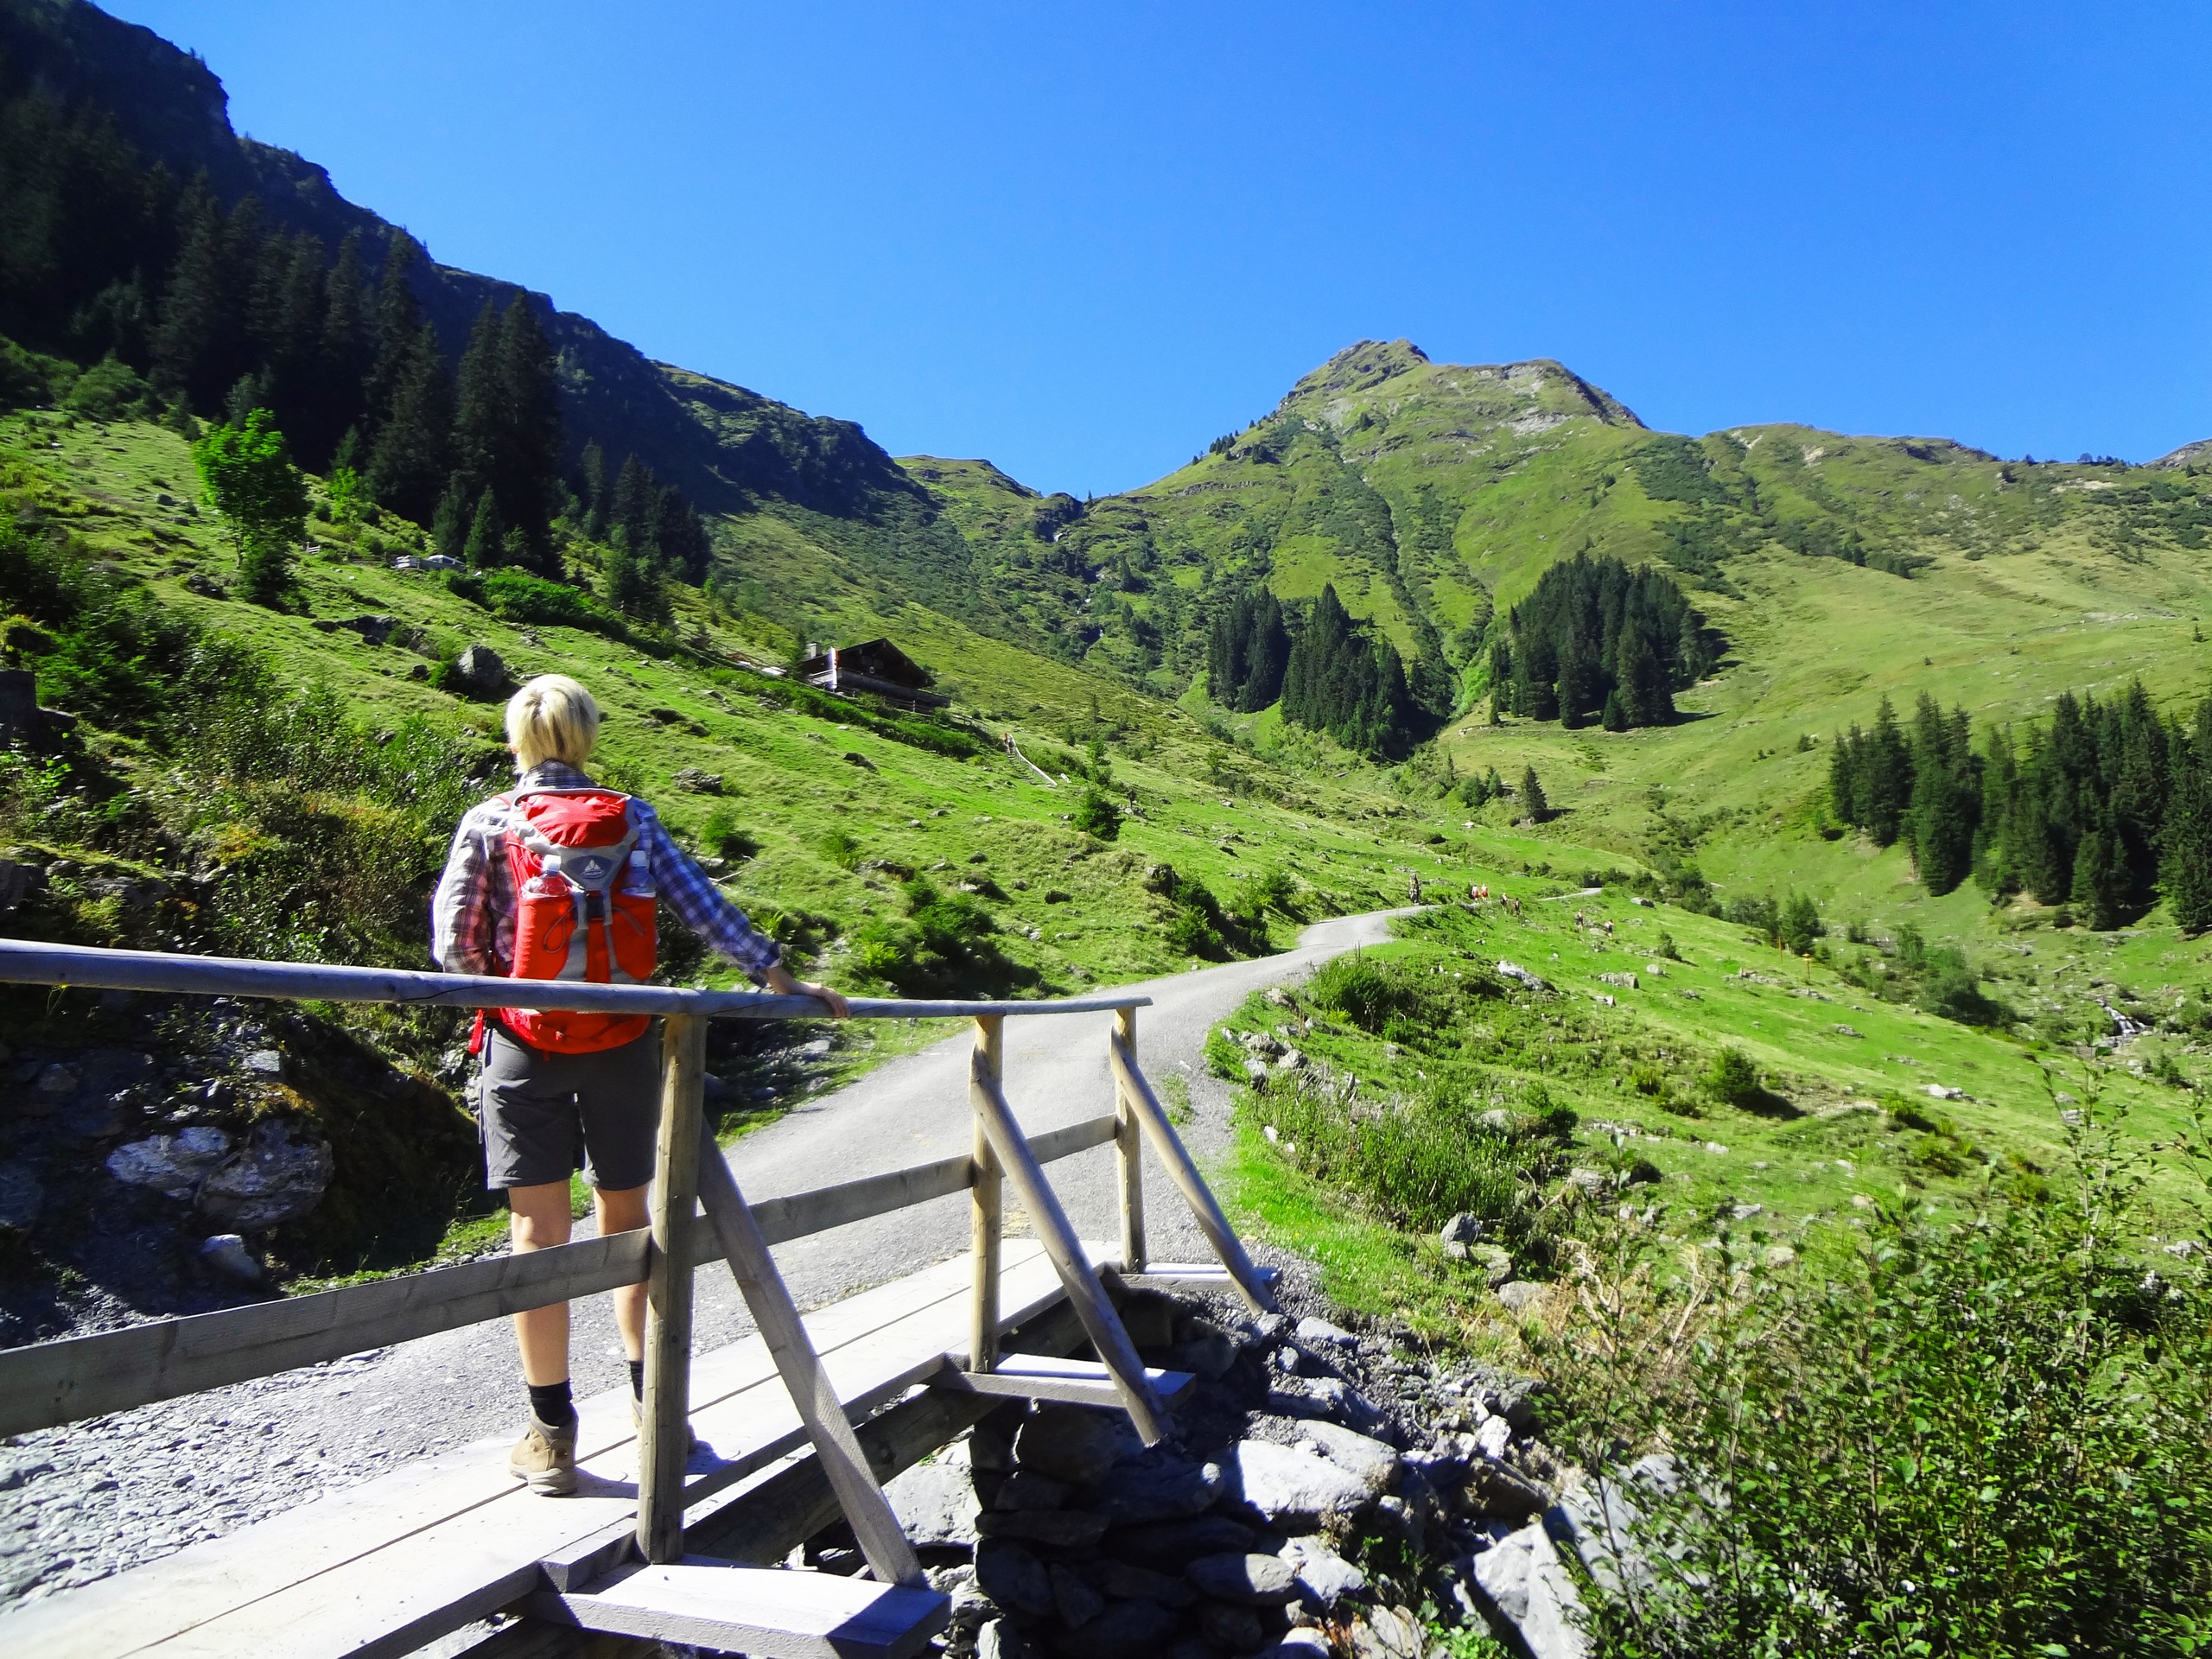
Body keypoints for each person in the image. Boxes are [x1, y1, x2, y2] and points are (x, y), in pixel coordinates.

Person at [431, 674, 849, 1496]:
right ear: (586, 738)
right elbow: (703, 910)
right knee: (632, 1223)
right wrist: (780, 977)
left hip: (523, 1043)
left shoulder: (490, 821)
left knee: (537, 1237)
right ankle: (656, 1408)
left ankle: (551, 1437)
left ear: (518, 740)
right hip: (625, 1039)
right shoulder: (635, 817)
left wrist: (509, 998)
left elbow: (454, 946)